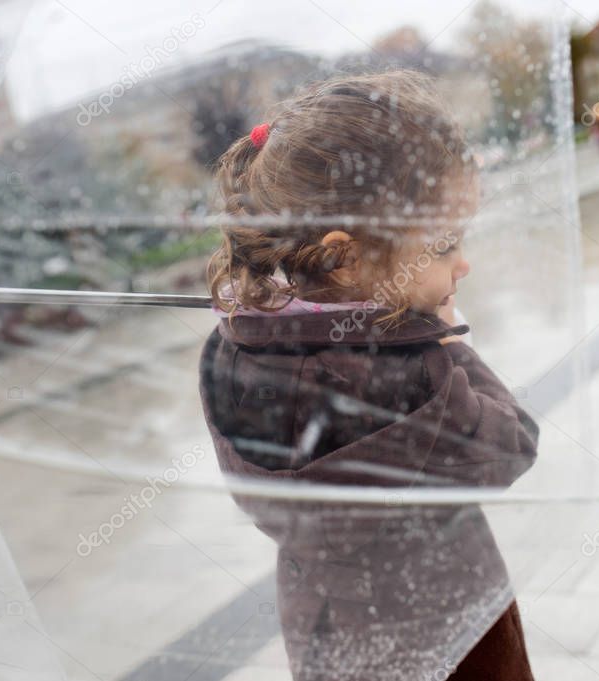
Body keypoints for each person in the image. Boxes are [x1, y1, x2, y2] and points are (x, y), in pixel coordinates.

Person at [198, 70, 539, 681]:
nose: (463, 262)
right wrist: (444, 337)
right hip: (448, 643)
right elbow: (513, 444)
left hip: (333, 647)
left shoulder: (232, 353)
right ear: (342, 255)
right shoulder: (413, 380)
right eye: (441, 246)